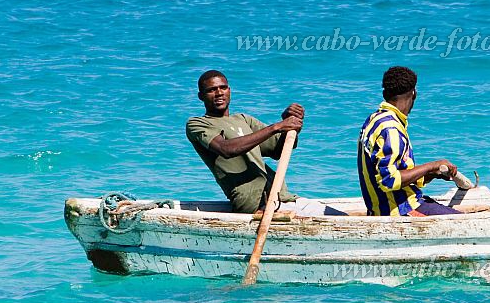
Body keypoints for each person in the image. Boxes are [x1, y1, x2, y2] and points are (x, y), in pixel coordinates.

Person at [186, 70, 343, 216]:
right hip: (254, 203)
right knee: (335, 218)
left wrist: (289, 125)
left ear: (230, 90)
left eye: (223, 88)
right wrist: (276, 127)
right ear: (201, 96)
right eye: (212, 90)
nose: (219, 93)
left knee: (338, 216)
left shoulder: (243, 119)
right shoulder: (197, 124)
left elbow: (277, 150)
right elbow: (226, 149)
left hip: (281, 196)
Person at [357, 66, 462, 216]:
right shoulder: (391, 129)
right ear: (414, 94)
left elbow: (392, 172)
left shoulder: (374, 120)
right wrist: (431, 165)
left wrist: (433, 173)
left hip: (383, 207)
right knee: (467, 222)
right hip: (400, 210)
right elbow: (389, 180)